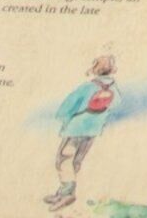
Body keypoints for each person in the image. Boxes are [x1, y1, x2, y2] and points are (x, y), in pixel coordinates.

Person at [46, 53, 118, 208]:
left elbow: (67, 106)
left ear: (95, 69)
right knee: (76, 160)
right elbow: (116, 103)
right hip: (93, 130)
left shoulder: (87, 87)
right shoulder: (113, 88)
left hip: (77, 128)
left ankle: (67, 194)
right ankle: (63, 191)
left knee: (63, 159)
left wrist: (63, 118)